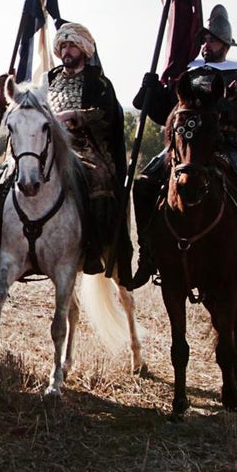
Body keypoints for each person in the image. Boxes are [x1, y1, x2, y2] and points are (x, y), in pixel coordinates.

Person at [130, 4, 237, 288]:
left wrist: (216, 108)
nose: (207, 45)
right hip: (183, 148)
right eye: (205, 40)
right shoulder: (187, 76)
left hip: (225, 145)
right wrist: (151, 90)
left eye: (213, 40)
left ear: (225, 44)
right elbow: (164, 114)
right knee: (144, 184)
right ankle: (147, 254)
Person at [44, 22, 132, 283]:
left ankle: (94, 246)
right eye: (63, 45)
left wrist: (76, 116)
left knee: (98, 179)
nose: (67, 50)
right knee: (9, 178)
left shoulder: (98, 82)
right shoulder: (51, 78)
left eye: (72, 45)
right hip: (50, 145)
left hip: (86, 147)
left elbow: (107, 114)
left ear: (83, 49)